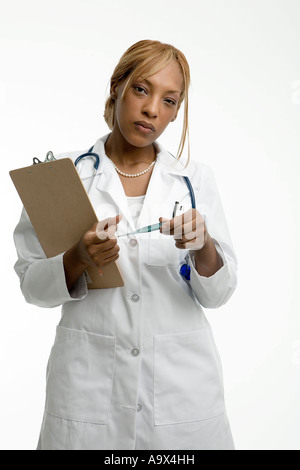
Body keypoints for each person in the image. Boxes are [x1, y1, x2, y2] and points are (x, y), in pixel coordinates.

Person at [13, 39, 238, 450]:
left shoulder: (194, 180)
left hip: (181, 396)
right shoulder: (62, 177)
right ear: (117, 86)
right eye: (141, 89)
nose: (153, 109)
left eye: (170, 101)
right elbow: (31, 285)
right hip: (88, 394)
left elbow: (220, 292)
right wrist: (76, 258)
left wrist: (202, 246)